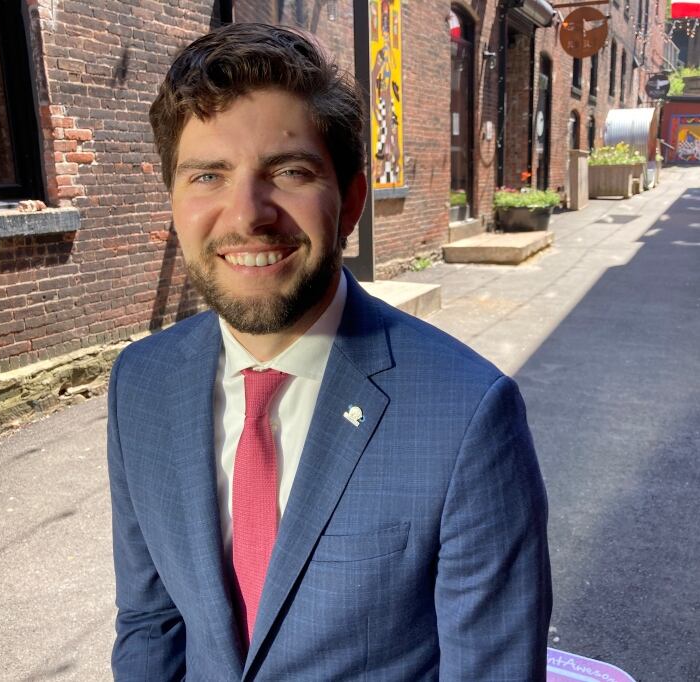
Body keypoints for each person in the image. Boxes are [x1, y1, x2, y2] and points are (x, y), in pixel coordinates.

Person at [107, 22, 552, 681]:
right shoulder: (138, 384)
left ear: (349, 204)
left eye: (289, 171)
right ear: (172, 202)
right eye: (208, 175)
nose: (247, 214)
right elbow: (150, 627)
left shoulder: (466, 417)